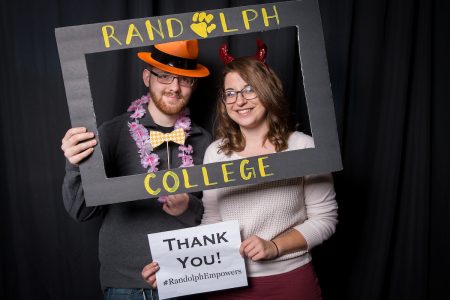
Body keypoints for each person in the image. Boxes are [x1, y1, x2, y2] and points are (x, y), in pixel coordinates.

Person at [142, 40, 338, 300]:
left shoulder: (303, 146)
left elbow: (325, 219)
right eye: (230, 93)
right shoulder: (216, 153)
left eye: (250, 90)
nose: (240, 100)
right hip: (228, 282)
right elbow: (212, 222)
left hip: (290, 282)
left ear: (268, 91)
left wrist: (275, 247)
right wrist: (172, 270)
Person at [61, 40, 212, 300]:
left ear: (194, 85)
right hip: (126, 287)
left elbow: (215, 217)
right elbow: (80, 210)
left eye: (184, 79)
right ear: (147, 77)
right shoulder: (110, 134)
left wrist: (189, 207)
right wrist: (75, 165)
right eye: (164, 76)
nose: (174, 88)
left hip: (188, 279)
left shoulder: (204, 141)